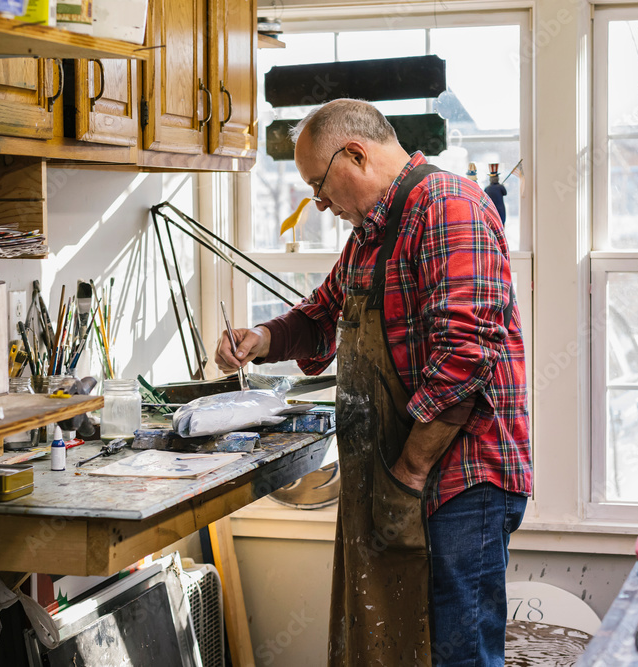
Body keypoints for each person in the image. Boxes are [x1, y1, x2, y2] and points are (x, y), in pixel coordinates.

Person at [215, 99, 532, 666]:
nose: (319, 202)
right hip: (397, 478)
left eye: (319, 184)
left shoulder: (448, 209)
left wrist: (407, 474)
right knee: (398, 651)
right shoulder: (372, 232)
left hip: (457, 481)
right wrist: (261, 338)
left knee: (455, 655)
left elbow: (463, 363)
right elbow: (319, 315)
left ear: (355, 154)